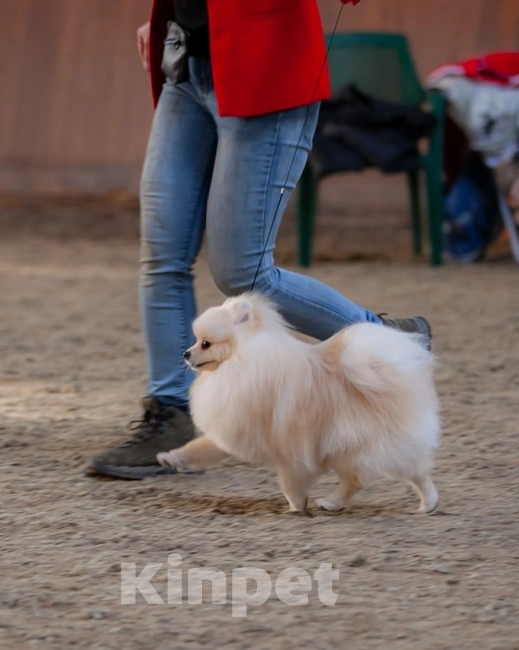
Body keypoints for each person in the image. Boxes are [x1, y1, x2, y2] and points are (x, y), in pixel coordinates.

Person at [86, 0, 432, 479]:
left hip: (267, 64)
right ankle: (170, 413)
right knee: (162, 256)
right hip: (187, 63)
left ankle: (382, 337)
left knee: (241, 272)